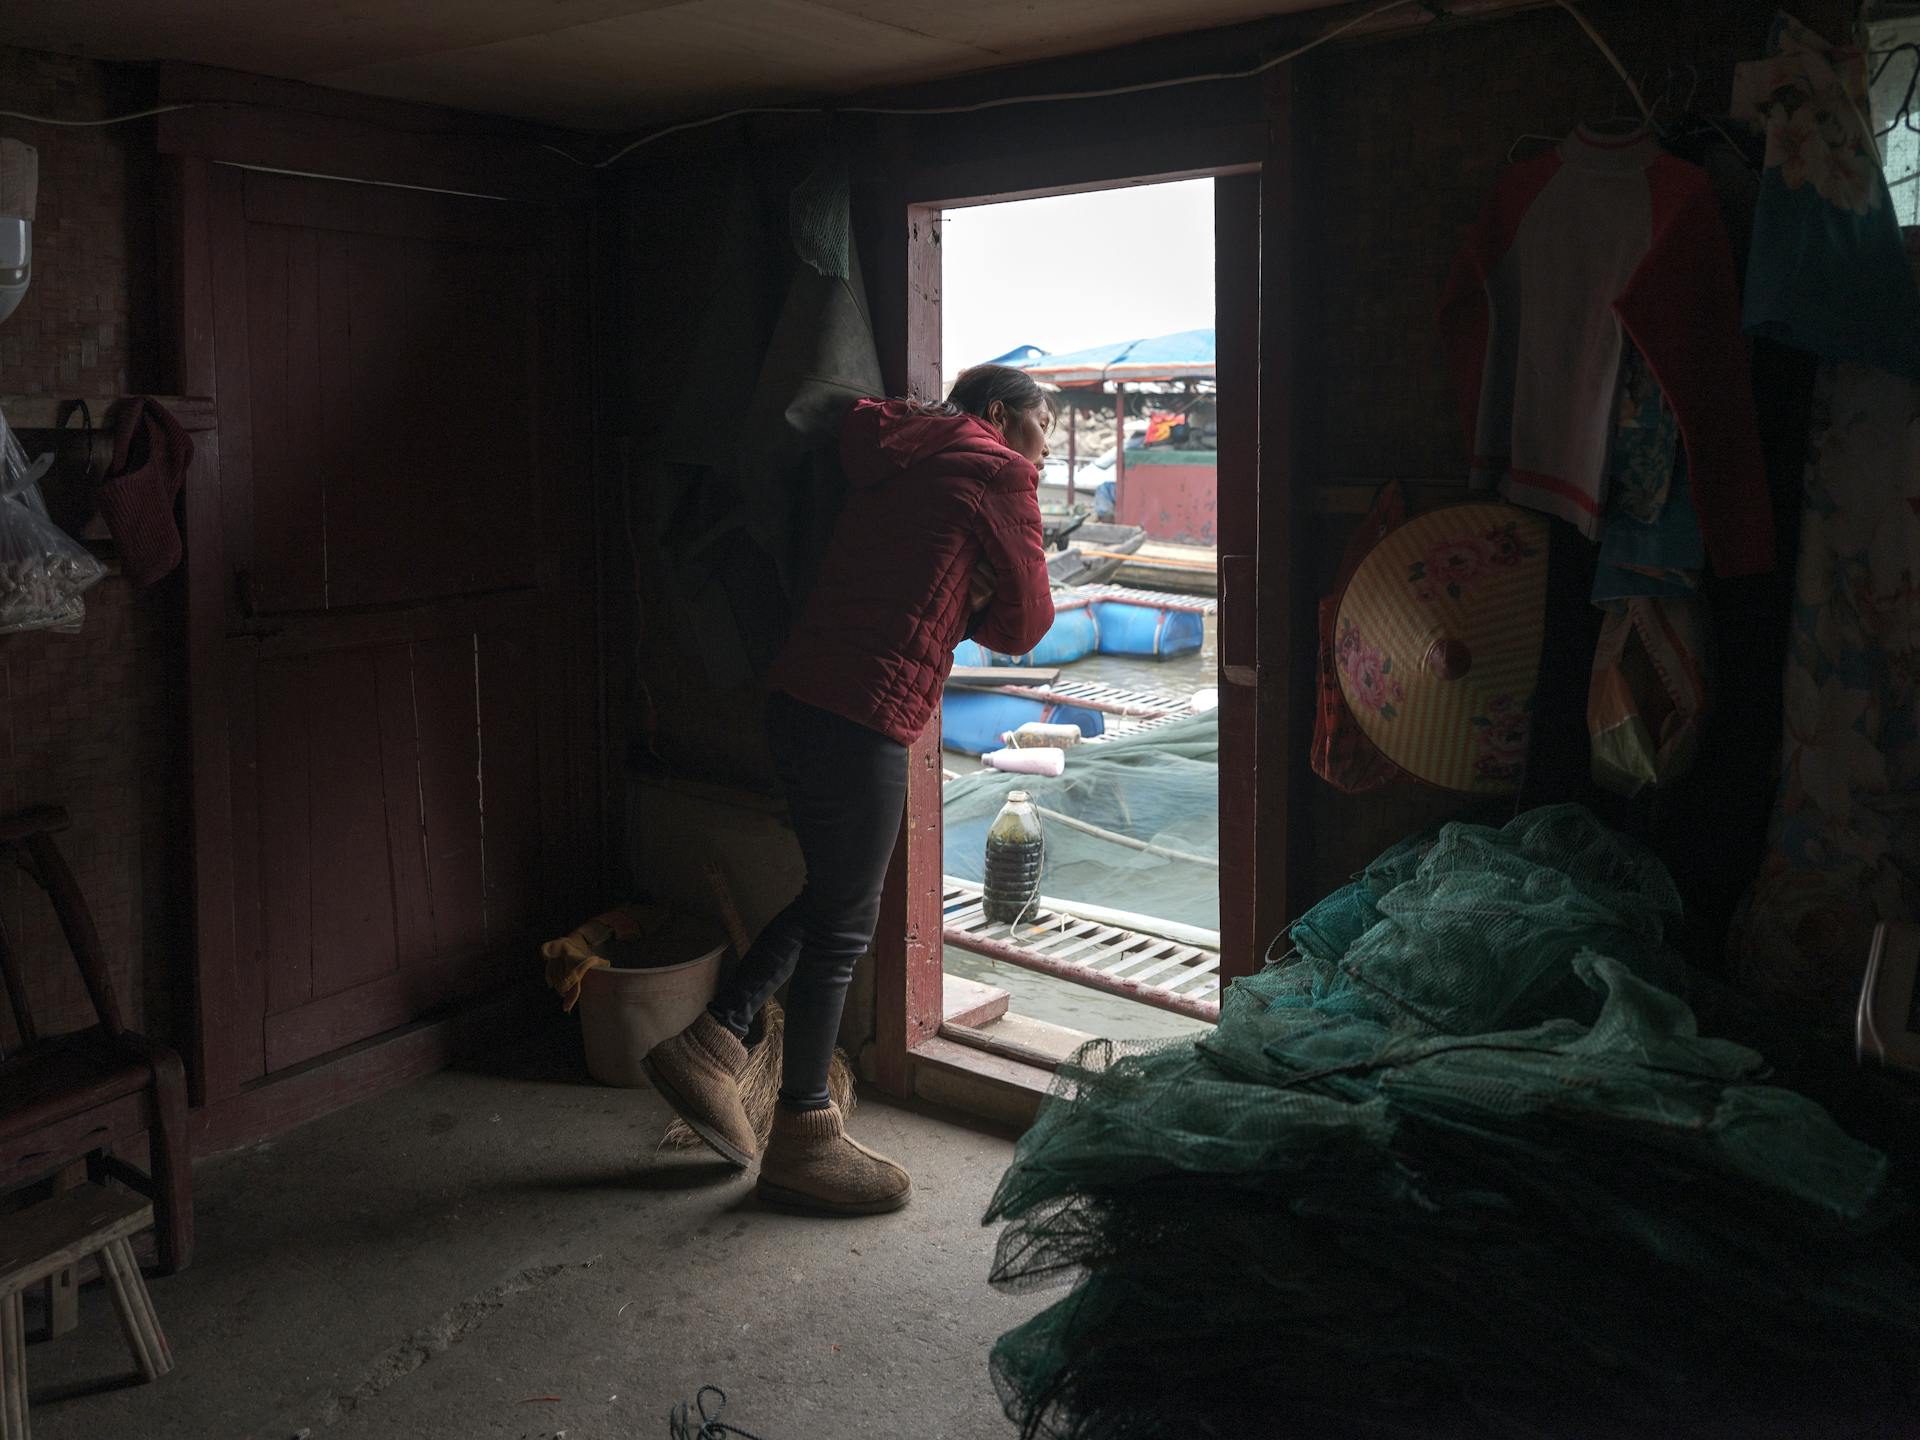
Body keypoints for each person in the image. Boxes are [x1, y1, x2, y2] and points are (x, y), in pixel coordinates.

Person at [644, 364, 1057, 1215]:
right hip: (865, 709)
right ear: (996, 415)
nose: (1048, 448)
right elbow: (1028, 624)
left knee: (833, 898)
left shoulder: (894, 449)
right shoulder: (997, 469)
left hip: (800, 697)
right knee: (846, 924)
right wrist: (977, 602)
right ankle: (803, 1134)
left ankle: (715, 1039)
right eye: (1043, 424)